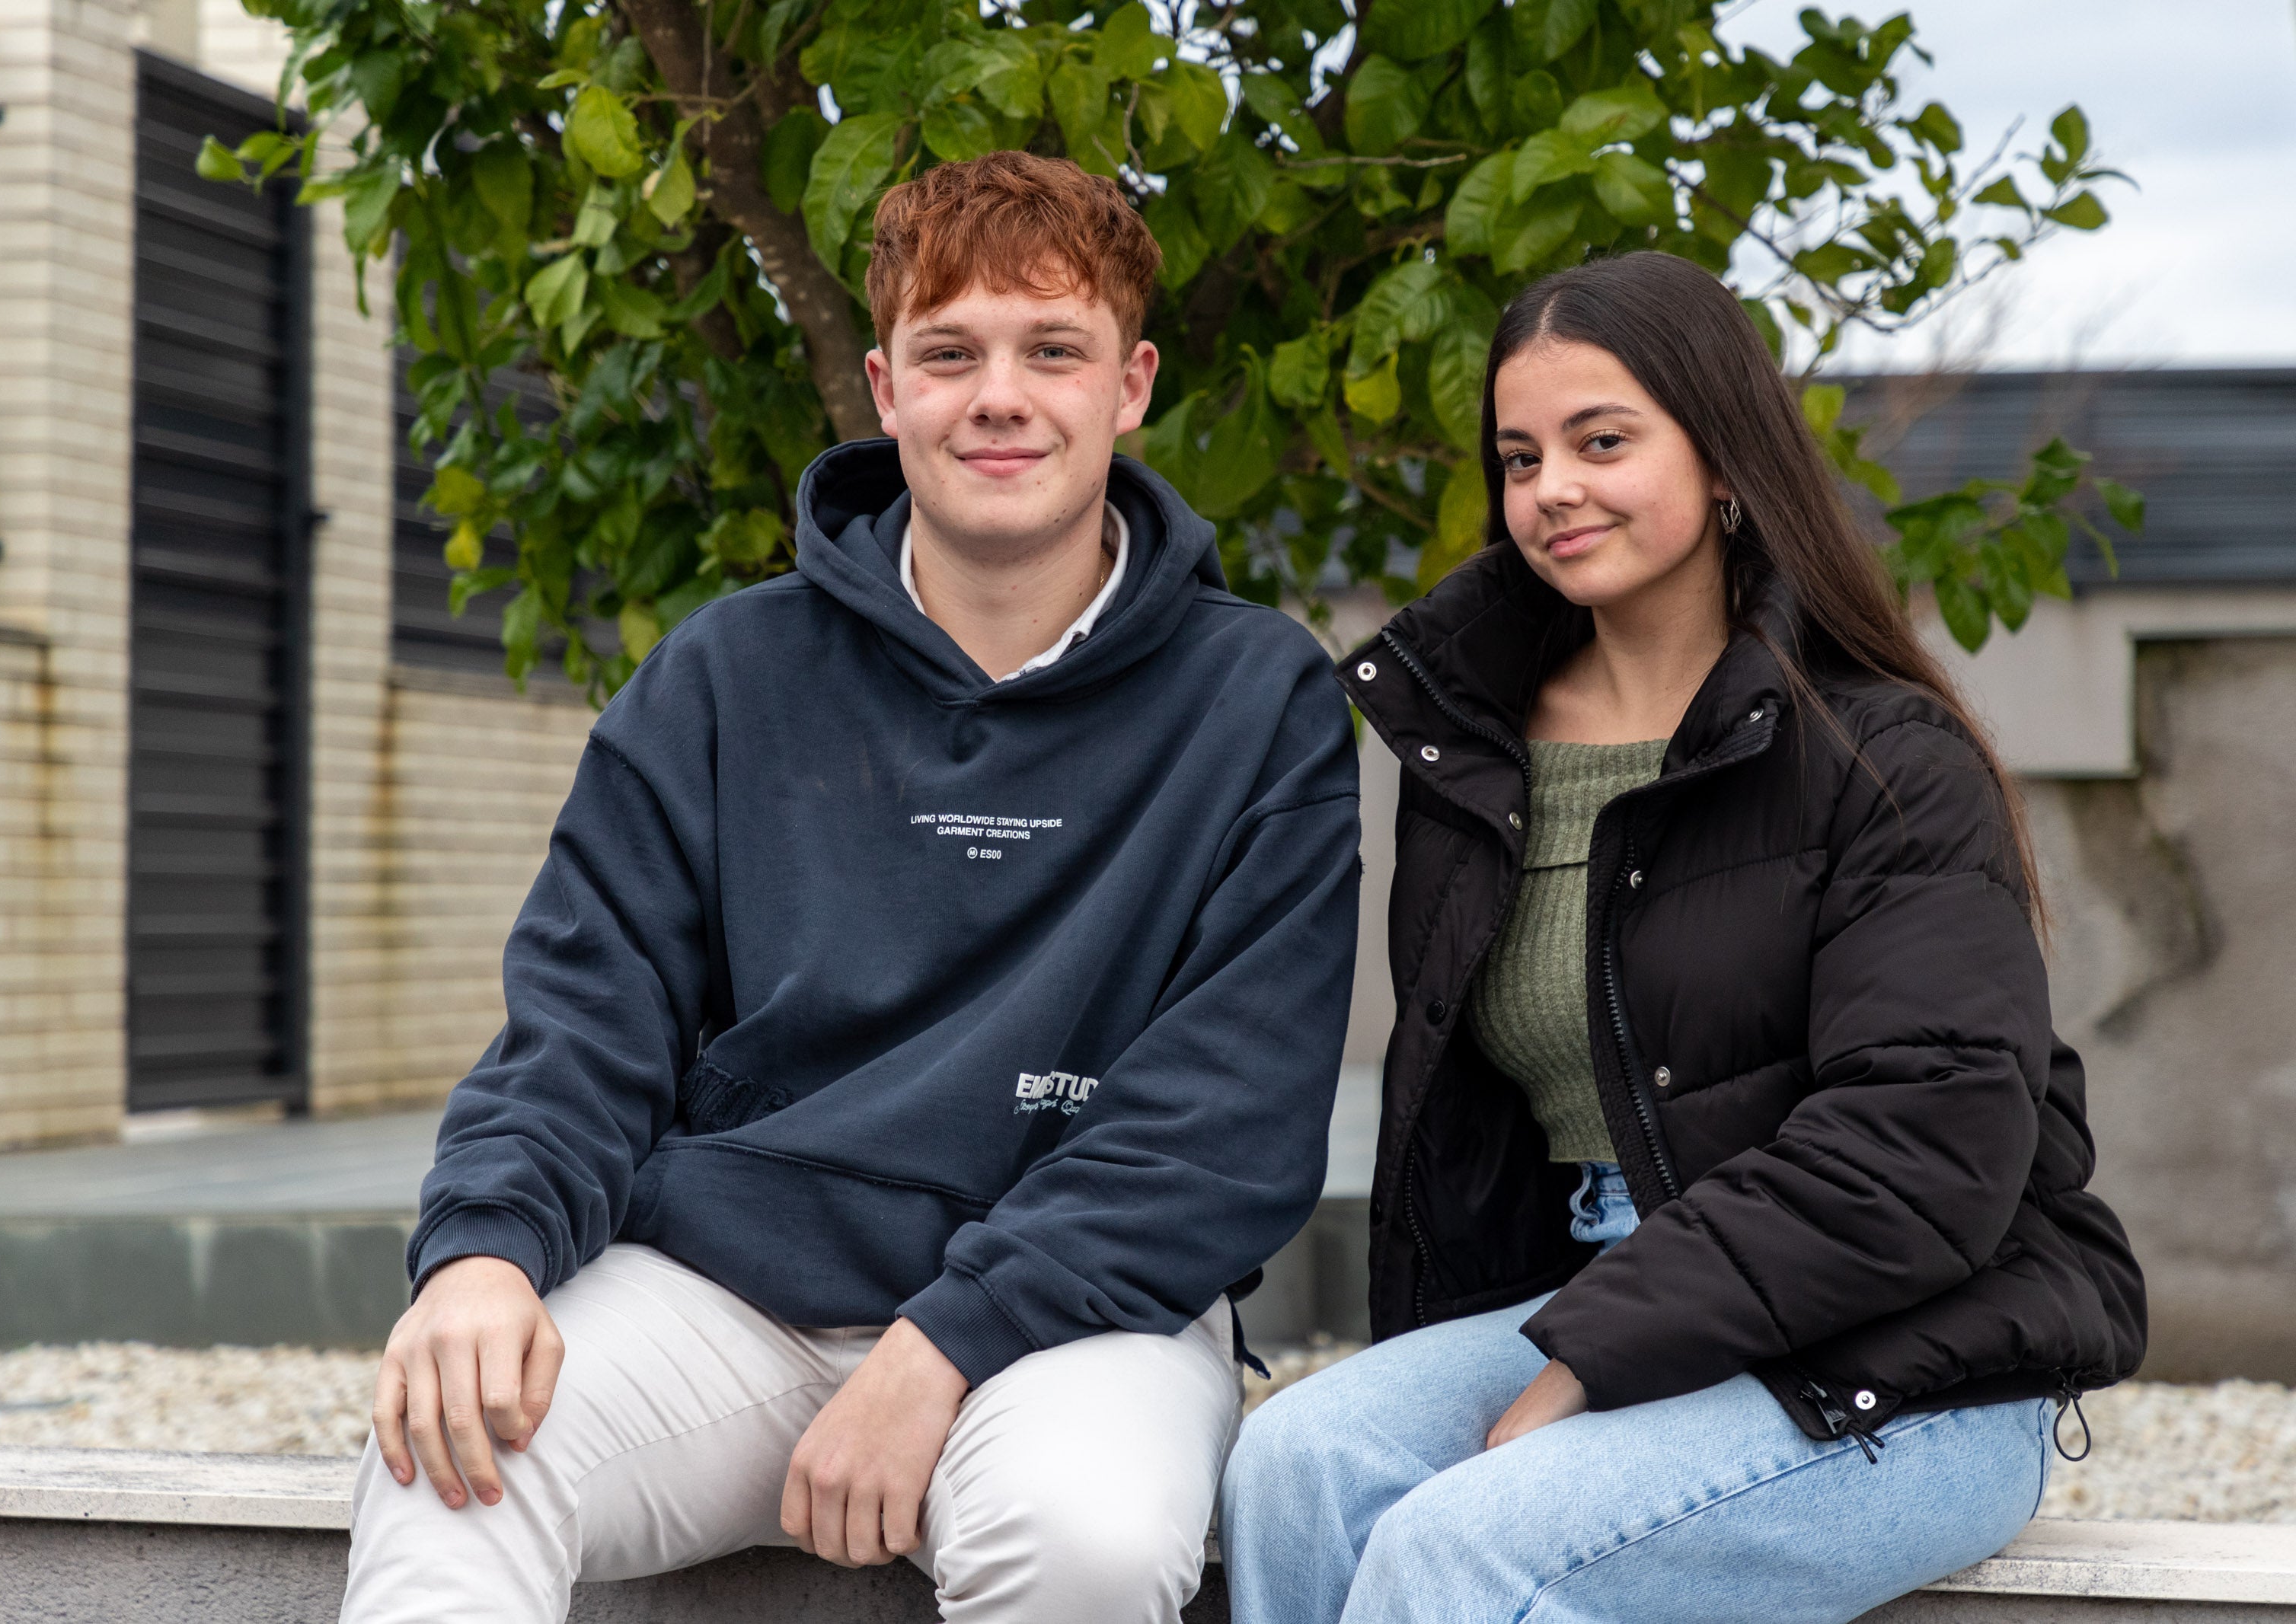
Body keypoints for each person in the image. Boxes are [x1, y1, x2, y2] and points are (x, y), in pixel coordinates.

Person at [341, 151, 1362, 1623]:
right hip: (728, 1293)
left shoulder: (1254, 699)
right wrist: (487, 1251)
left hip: (1076, 1317)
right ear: (886, 392)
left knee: (1081, 1535)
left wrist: (944, 1342)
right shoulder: (725, 674)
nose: (998, 396)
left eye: (1051, 350)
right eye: (949, 353)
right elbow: (582, 1020)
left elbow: (1226, 1123)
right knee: (451, 1450)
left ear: (1129, 386)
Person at [1220, 250, 2146, 1624]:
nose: (1553, 490)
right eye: (1521, 455)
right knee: (1293, 1463)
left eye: (1604, 441)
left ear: (1723, 460)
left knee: (1461, 1548)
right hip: (1606, 1283)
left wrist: (1584, 1365)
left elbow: (1926, 1142)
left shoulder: (1884, 754)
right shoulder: (1473, 749)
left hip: (1910, 1346)